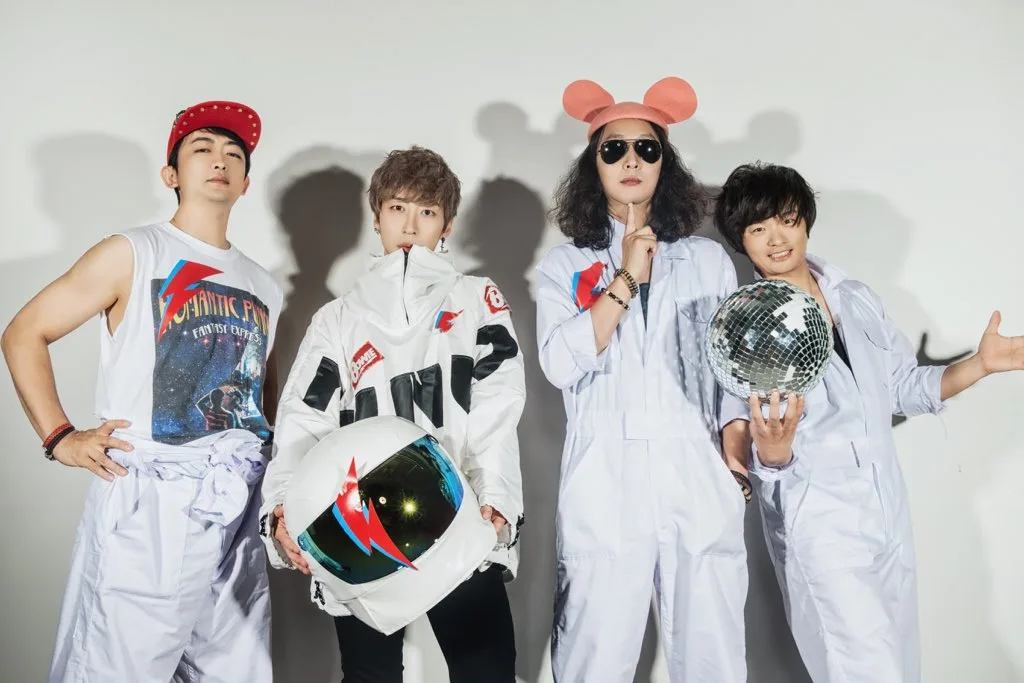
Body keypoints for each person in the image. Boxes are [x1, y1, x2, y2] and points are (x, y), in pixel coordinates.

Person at [1, 101, 283, 682]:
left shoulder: (263, 284)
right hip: (149, 505)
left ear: (246, 184)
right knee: (115, 671)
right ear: (171, 174)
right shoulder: (133, 252)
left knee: (236, 672)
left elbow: (263, 394)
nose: (220, 160)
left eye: (234, 154)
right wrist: (60, 437)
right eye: (202, 148)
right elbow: (24, 333)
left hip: (236, 505)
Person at [713, 161, 1024, 683]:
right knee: (865, 670)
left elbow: (903, 388)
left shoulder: (852, 296)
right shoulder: (743, 328)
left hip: (887, 507)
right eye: (757, 228)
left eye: (785, 219)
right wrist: (774, 451)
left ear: (805, 219)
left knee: (900, 666)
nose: (776, 239)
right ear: (741, 241)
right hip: (818, 517)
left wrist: (980, 365)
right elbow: (747, 442)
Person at [259, 146, 526, 683]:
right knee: (370, 676)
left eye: (427, 211)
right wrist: (281, 509)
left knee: (486, 672)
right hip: (358, 521)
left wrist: (496, 498)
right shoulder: (337, 318)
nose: (410, 225)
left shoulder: (477, 299)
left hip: (458, 511)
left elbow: (498, 407)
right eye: (398, 208)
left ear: (446, 224)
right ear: (377, 215)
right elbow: (304, 420)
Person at [535, 77, 753, 683]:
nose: (631, 161)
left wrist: (735, 466)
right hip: (606, 472)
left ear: (665, 163)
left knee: (712, 652)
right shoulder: (566, 265)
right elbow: (559, 364)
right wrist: (626, 277)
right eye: (614, 149)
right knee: (594, 652)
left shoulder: (707, 261)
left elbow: (731, 378)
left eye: (646, 148)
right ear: (594, 164)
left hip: (696, 469)